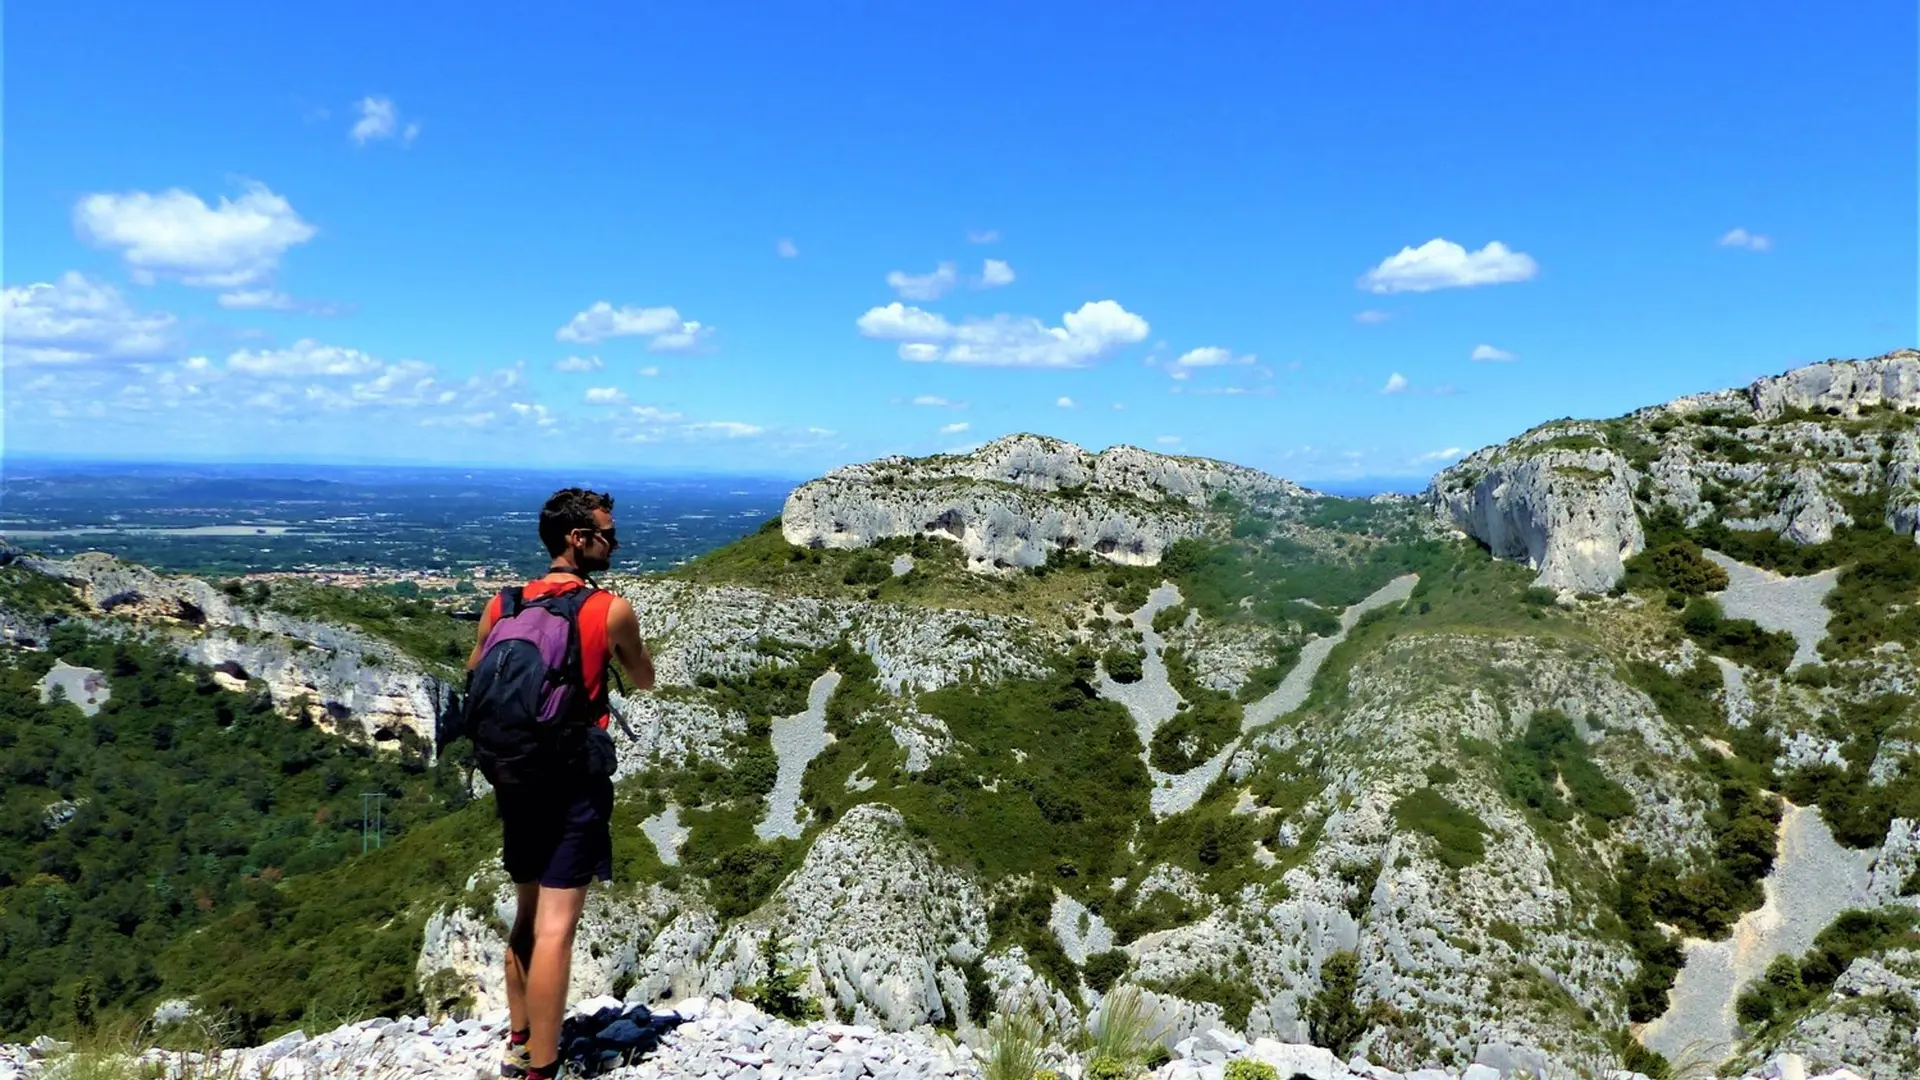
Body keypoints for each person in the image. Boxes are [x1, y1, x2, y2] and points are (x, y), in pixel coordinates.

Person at [466, 487, 655, 1080]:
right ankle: (543, 1070)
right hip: (572, 776)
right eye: (607, 532)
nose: (614, 542)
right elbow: (643, 678)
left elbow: (477, 676)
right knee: (556, 929)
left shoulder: (505, 604)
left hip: (513, 774)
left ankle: (520, 1041)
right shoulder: (609, 609)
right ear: (577, 539)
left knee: (526, 915)